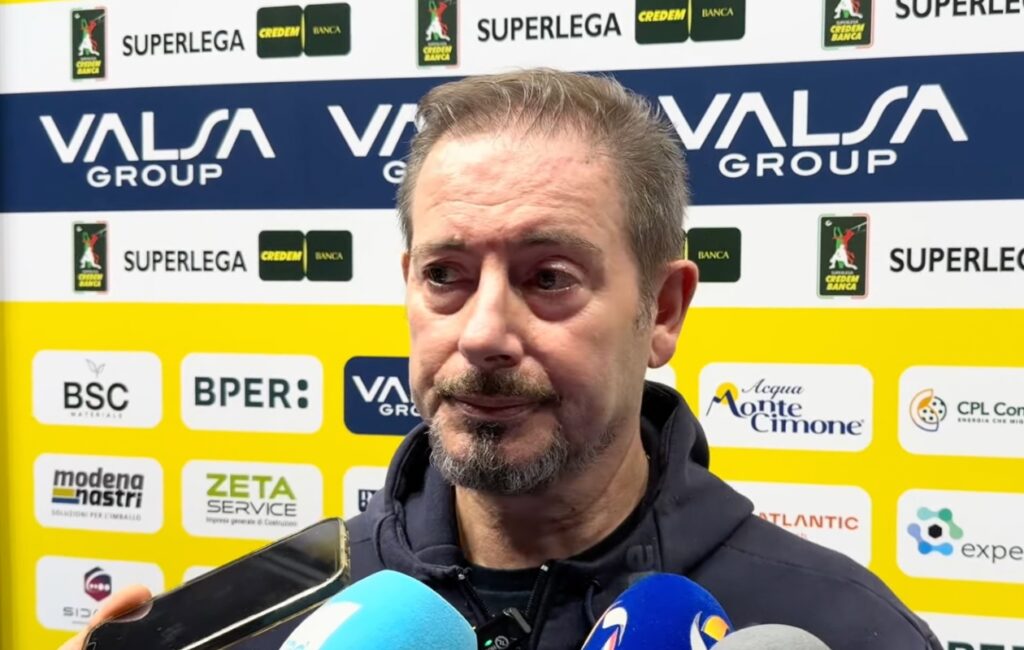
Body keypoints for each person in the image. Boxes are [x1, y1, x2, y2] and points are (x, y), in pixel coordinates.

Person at [62, 69, 942, 650]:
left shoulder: (840, 627)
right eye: (445, 275)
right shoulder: (276, 616)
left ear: (663, 311)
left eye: (548, 278)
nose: (482, 332)